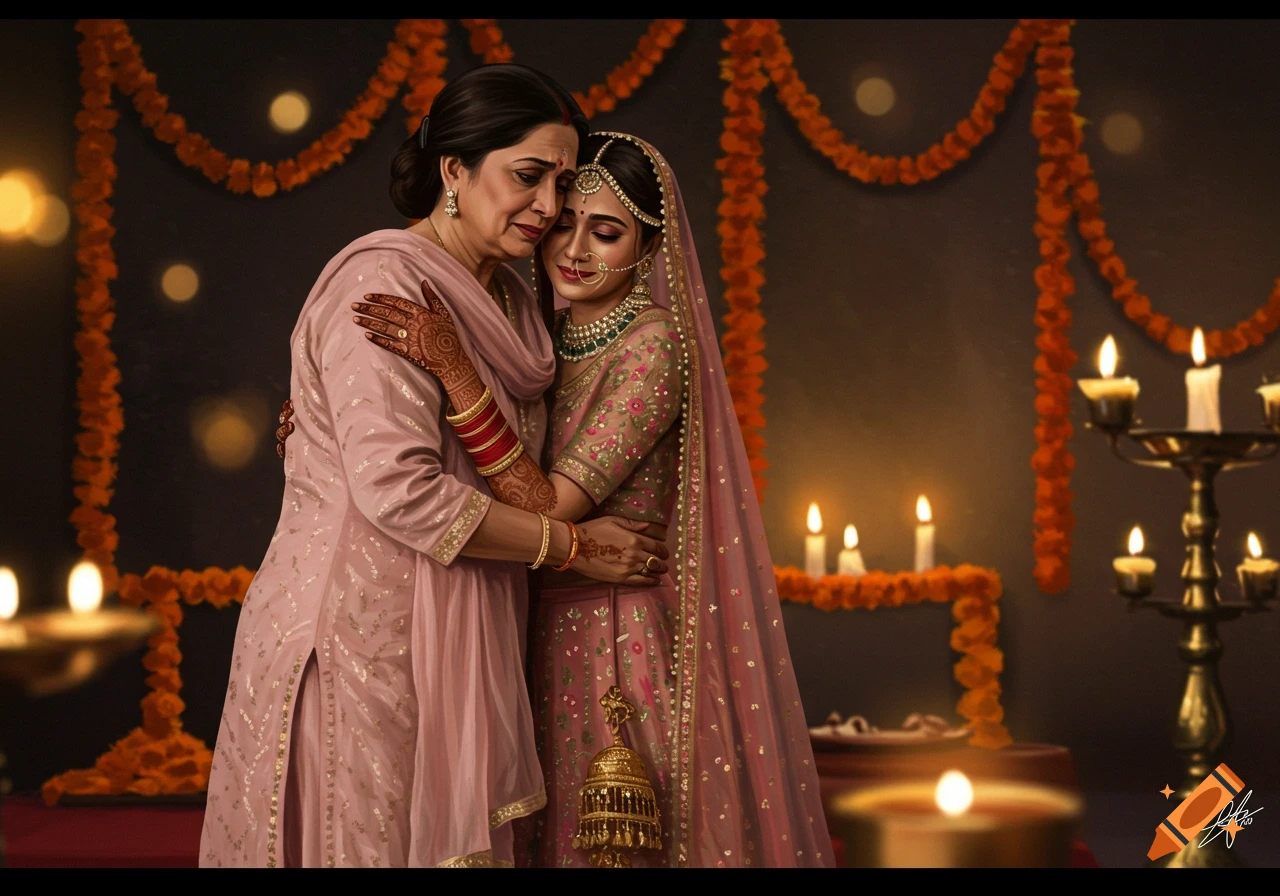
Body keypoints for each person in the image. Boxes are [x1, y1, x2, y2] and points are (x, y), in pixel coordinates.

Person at [199, 67, 670, 869]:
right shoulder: (380, 281)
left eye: (561, 184)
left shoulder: (518, 304)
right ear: (454, 169)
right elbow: (399, 491)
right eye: (527, 177)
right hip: (360, 636)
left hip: (465, 627)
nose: (551, 210)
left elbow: (507, 461)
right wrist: (576, 547)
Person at [352, 132, 833, 868]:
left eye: (605, 232)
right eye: (561, 224)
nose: (572, 248)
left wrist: (450, 363)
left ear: (648, 250)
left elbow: (545, 505)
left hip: (615, 632)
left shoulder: (651, 347)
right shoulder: (534, 335)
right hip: (524, 621)